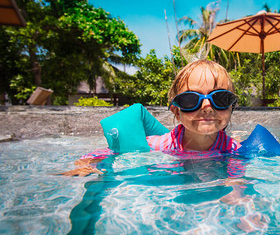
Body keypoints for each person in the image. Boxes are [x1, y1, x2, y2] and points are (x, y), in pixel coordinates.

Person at [61, 60, 241, 176]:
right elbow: (102, 154)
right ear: (176, 112)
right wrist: (84, 166)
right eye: (190, 99)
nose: (207, 107)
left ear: (231, 107)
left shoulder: (235, 151)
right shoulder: (157, 145)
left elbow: (238, 180)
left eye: (220, 98)